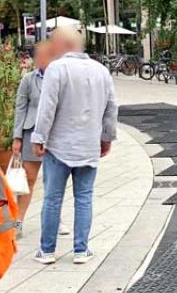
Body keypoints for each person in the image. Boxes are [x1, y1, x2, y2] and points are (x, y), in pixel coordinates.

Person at [31, 27, 118, 265]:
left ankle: (47, 250)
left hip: (59, 146)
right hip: (89, 146)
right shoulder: (102, 71)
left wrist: (39, 138)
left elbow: (47, 107)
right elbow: (111, 108)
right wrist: (106, 138)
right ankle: (81, 249)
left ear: (63, 45)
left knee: (52, 198)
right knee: (84, 198)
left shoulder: (56, 69)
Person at [12, 41, 54, 237]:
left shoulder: (59, 78)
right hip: (31, 133)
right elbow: (20, 109)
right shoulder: (28, 79)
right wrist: (17, 137)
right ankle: (18, 221)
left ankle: (55, 219)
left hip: (54, 135)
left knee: (54, 180)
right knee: (29, 179)